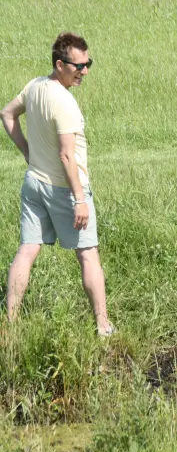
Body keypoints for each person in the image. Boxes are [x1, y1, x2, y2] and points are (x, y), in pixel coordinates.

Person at [0, 32, 114, 336]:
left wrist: (28, 153)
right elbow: (66, 155)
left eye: (88, 63)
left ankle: (9, 324)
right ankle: (103, 325)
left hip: (34, 183)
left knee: (26, 250)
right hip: (65, 190)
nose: (85, 71)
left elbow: (7, 114)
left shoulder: (35, 86)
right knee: (88, 254)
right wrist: (79, 199)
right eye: (79, 66)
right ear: (60, 64)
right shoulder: (64, 102)